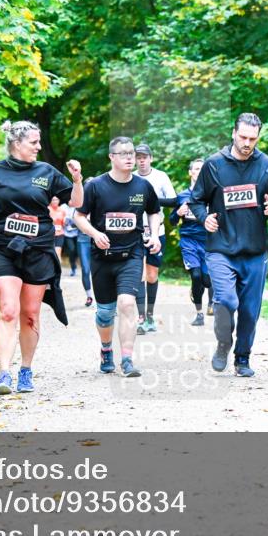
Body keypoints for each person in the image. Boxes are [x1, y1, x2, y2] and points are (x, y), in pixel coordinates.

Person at [0, 120, 83, 394]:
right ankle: (3, 374)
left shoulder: (46, 172)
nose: (38, 146)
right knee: (9, 310)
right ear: (17, 143)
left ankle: (25, 370)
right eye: (34, 142)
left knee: (31, 314)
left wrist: (77, 180)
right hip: (3, 247)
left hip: (38, 249)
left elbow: (78, 202)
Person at [190, 113, 268, 377]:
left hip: (255, 252)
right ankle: (223, 343)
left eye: (252, 139)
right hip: (221, 248)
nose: (247, 143)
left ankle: (242, 359)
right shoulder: (214, 165)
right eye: (243, 137)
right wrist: (204, 218)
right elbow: (196, 200)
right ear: (234, 133)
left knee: (248, 311)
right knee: (226, 300)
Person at [74, 137, 162, 377]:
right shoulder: (96, 185)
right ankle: (106, 349)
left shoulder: (143, 187)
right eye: (123, 153)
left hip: (132, 254)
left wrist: (154, 235)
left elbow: (155, 212)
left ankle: (127, 359)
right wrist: (94, 233)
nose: (129, 157)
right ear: (111, 157)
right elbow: (79, 216)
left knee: (127, 303)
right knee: (105, 312)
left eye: (131, 153)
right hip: (102, 257)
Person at [133, 143, 176, 335]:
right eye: (138, 157)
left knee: (151, 275)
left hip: (156, 232)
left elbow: (174, 200)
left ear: (151, 158)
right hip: (135, 233)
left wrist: (152, 202)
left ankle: (150, 315)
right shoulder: (130, 177)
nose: (141, 160)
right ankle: (141, 317)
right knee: (138, 275)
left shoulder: (160, 177)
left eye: (144, 157)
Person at [169, 158, 213, 326]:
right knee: (196, 276)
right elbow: (172, 220)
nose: (199, 171)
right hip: (189, 240)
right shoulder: (182, 196)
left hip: (208, 240)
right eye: (196, 168)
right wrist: (178, 213)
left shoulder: (211, 195)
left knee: (207, 280)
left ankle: (208, 299)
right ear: (190, 172)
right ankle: (199, 313)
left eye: (202, 169)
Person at [76, 178, 96, 307]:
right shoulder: (79, 201)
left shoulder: (102, 200)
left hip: (98, 239)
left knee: (103, 269)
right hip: (83, 239)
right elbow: (75, 219)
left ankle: (107, 298)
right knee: (86, 269)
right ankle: (89, 296)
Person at [61, 202, 80, 276]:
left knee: (78, 251)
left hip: (77, 233)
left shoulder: (77, 206)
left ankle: (76, 264)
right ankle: (73, 267)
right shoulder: (63, 207)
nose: (71, 202)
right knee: (71, 250)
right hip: (67, 233)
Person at [49, 196, 66, 261]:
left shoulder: (62, 210)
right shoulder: (48, 209)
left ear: (59, 201)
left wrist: (65, 221)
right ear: (50, 201)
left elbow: (64, 223)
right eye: (53, 200)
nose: (55, 201)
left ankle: (58, 269)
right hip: (50, 234)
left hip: (60, 234)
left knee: (58, 252)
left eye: (56, 200)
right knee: (51, 252)